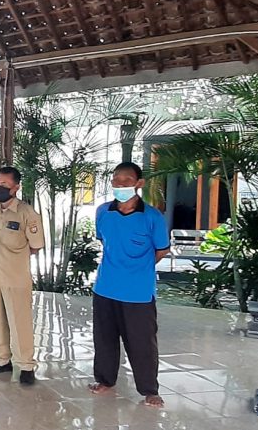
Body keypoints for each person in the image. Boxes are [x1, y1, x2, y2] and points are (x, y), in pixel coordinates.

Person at [89, 162, 170, 408]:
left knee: (142, 343)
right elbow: (105, 242)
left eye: (127, 180)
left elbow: (161, 250)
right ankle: (105, 380)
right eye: (116, 179)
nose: (120, 184)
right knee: (104, 339)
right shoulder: (103, 211)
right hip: (105, 288)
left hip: (138, 292)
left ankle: (149, 390)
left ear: (139, 183)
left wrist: (138, 268)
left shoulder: (152, 216)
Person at [0, 166, 45, 385]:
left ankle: (26, 366)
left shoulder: (27, 213)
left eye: (5, 184)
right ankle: (1, 361)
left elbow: (36, 245)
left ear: (16, 187)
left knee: (19, 323)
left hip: (16, 278)